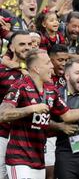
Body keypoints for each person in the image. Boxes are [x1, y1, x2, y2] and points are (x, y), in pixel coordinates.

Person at [0, 49, 79, 179]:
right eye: (47, 63)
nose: (52, 66)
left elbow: (67, 115)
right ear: (37, 69)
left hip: (39, 159)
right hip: (20, 158)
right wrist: (31, 109)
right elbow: (3, 114)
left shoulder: (51, 90)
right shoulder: (20, 86)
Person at [0, 31, 32, 179]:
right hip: (2, 135)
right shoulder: (2, 70)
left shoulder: (38, 70)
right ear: (11, 47)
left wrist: (23, 68)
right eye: (22, 44)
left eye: (29, 44)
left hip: (28, 138)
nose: (27, 47)